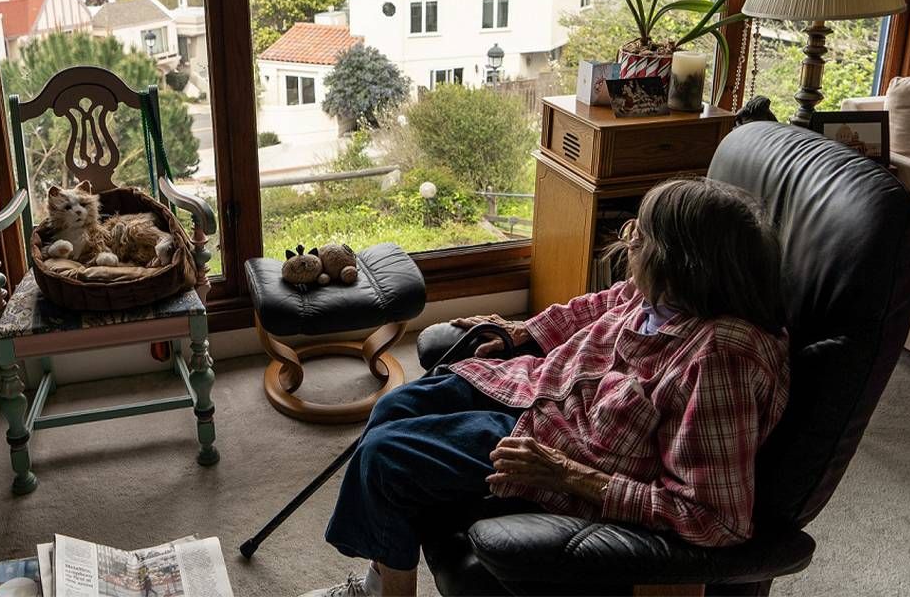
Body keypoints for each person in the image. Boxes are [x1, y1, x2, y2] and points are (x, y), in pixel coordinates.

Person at [301, 178, 790, 597]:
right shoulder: (663, 292)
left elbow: (715, 518)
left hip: (563, 450)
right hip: (538, 389)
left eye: (640, 233)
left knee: (386, 456)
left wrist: (569, 475)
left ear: (679, 262)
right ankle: (378, 582)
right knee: (395, 408)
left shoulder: (720, 358)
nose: (628, 239)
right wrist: (523, 332)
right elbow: (597, 305)